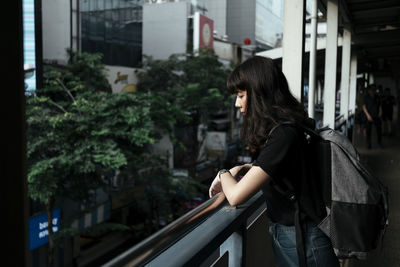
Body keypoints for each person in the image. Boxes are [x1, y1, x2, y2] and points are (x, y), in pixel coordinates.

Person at [208, 56, 339, 267]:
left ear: (259, 92)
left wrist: (223, 173)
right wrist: (242, 167)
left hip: (302, 238)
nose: (236, 103)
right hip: (301, 233)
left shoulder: (283, 134)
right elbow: (280, 167)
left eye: (241, 95)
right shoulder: (289, 127)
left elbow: (235, 196)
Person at [362, 84, 383, 149]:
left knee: (379, 130)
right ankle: (369, 144)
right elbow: (364, 107)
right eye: (372, 89)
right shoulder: (366, 97)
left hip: (376, 116)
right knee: (368, 131)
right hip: (369, 116)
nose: (373, 91)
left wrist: (380, 112)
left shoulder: (377, 97)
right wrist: (368, 115)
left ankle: (379, 142)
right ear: (369, 90)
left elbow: (380, 106)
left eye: (374, 89)